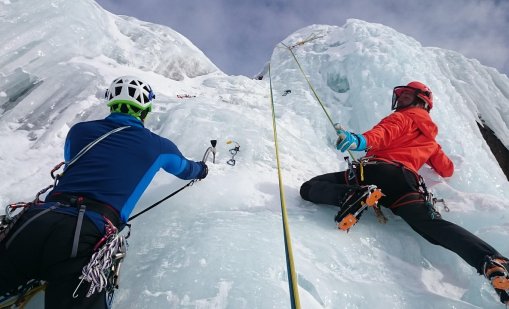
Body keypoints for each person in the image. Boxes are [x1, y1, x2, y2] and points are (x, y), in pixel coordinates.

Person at [0, 76, 208, 308]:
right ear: (146, 110)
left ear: (110, 102)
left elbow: (73, 163)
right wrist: (203, 169)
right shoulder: (158, 146)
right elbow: (185, 169)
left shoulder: (80, 131)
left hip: (35, 220)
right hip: (88, 232)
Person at [300, 81, 509, 305]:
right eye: (401, 97)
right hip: (405, 184)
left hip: (374, 171)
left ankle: (350, 196)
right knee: (431, 226)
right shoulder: (430, 140)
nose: (401, 101)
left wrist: (359, 141)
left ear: (421, 101)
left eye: (407, 96)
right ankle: (491, 261)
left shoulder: (402, 117)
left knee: (309, 187)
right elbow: (446, 169)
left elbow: (382, 133)